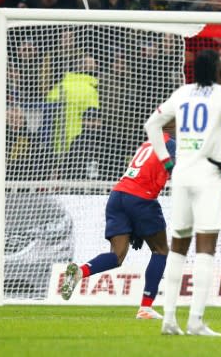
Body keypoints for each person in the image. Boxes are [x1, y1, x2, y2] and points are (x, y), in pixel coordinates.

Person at [144, 49, 221, 337]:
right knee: (205, 248)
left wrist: (166, 159)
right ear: (216, 70)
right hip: (208, 175)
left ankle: (169, 319)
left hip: (181, 176)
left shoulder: (182, 93)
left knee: (178, 247)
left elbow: (151, 124)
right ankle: (196, 321)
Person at [60, 125, 176, 319]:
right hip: (141, 198)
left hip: (118, 195)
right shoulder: (170, 144)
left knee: (117, 256)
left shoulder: (147, 144)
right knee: (160, 250)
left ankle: (80, 272)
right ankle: (146, 308)